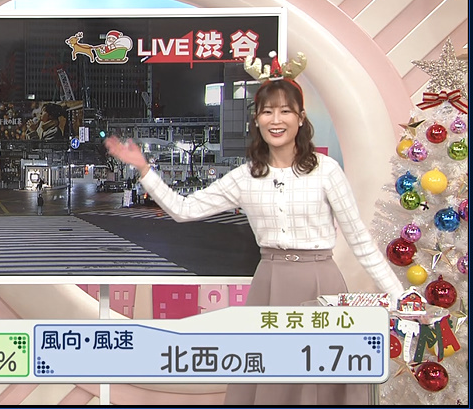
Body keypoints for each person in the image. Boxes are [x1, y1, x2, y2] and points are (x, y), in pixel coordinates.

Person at [104, 55, 404, 406]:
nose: (276, 120)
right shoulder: (245, 176)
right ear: (257, 120)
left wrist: (399, 296)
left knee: (321, 383)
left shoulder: (326, 170)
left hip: (322, 284)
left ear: (300, 118)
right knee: (271, 382)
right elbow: (184, 210)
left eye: (285, 111)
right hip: (270, 285)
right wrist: (144, 170)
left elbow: (360, 241)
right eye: (267, 112)